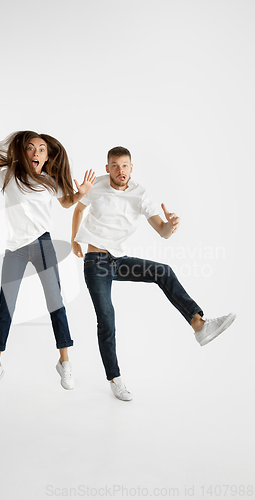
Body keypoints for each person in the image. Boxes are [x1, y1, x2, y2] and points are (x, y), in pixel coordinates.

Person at [71, 146, 236, 402]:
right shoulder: (97, 185)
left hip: (119, 259)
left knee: (163, 271)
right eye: (115, 165)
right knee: (107, 319)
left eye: (125, 165)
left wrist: (170, 226)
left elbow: (162, 231)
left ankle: (199, 324)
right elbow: (78, 208)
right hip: (96, 261)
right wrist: (74, 240)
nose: (120, 170)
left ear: (131, 167)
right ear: (107, 168)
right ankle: (115, 379)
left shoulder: (140, 194)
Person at [0, 131, 95, 394]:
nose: (36, 153)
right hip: (16, 249)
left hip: (43, 244)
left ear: (47, 157)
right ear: (24, 152)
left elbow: (67, 203)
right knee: (6, 306)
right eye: (31, 148)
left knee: (55, 301)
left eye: (42, 149)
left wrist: (80, 193)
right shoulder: (8, 175)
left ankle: (64, 362)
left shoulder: (49, 180)